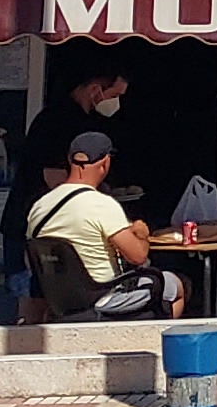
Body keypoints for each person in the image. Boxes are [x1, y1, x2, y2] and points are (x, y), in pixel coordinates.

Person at [1, 58, 131, 317]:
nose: (116, 103)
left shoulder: (79, 119)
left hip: (47, 228)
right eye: (114, 95)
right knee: (33, 304)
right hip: (30, 226)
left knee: (55, 305)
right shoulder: (58, 121)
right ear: (95, 90)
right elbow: (53, 176)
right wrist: (98, 200)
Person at [25, 133, 176, 320]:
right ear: (105, 163)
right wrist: (142, 234)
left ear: (70, 160)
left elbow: (32, 259)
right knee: (175, 284)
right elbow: (138, 256)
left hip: (59, 301)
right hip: (104, 297)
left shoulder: (39, 206)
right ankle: (157, 336)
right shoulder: (102, 204)